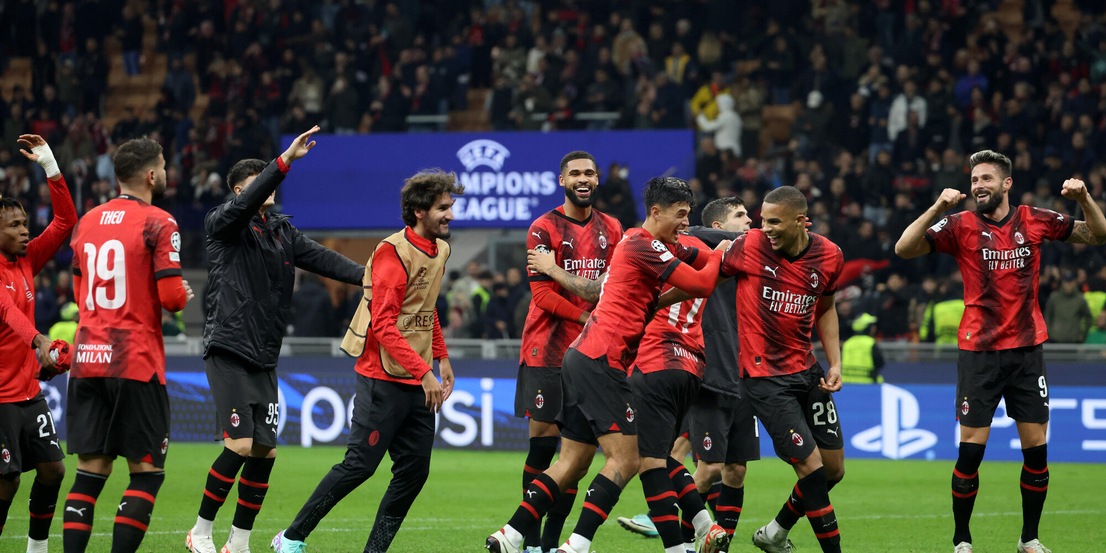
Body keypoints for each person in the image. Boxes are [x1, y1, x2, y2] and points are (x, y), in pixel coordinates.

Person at [487, 177, 729, 553]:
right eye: (679, 215)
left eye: (688, 215)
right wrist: (719, 255)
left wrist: (724, 251)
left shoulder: (648, 243)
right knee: (629, 458)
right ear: (656, 212)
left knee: (573, 461)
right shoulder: (643, 245)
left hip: (583, 357)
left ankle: (510, 535)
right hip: (602, 361)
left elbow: (692, 268)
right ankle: (576, 546)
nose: (685, 222)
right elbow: (700, 283)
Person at [894, 149, 1106, 553]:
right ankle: (962, 539)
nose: (978, 186)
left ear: (1006, 183)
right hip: (979, 353)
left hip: (1027, 352)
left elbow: (1098, 233)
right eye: (975, 180)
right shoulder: (959, 225)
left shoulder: (1035, 219)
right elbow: (904, 249)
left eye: (986, 179)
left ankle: (1029, 538)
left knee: (1037, 456)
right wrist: (938, 204)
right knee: (970, 455)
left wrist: (1084, 198)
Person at [186, 126, 365, 553]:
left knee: (265, 453)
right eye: (255, 182)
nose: (264, 188)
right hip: (228, 346)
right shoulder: (223, 224)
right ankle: (200, 532)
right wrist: (282, 162)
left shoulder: (282, 231)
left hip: (264, 355)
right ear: (237, 191)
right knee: (241, 444)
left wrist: (372, 276)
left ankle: (239, 542)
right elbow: (247, 202)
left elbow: (323, 259)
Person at [271, 169, 463, 553]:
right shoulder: (392, 254)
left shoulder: (441, 250)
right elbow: (385, 327)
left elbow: (427, 310)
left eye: (451, 206)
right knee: (360, 465)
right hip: (383, 378)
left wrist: (441, 358)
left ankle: (374, 551)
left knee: (413, 473)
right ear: (419, 211)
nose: (451, 215)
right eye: (443, 208)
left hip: (419, 379)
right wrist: (425, 370)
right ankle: (291, 537)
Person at [63, 137, 195, 553]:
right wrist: (182, 295)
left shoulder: (86, 222)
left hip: (87, 360)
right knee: (146, 473)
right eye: (164, 165)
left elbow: (77, 292)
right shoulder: (160, 221)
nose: (167, 173)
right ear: (152, 174)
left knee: (89, 472)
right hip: (135, 360)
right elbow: (172, 298)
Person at [617, 197, 761, 547]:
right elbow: (688, 232)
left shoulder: (748, 260)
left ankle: (705, 536)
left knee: (735, 470)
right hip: (707, 371)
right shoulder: (702, 251)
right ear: (717, 228)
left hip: (744, 372)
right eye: (740, 217)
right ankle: (666, 519)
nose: (750, 222)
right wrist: (729, 240)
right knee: (707, 466)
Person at [717, 186, 845, 553]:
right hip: (764, 378)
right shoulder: (750, 247)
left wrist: (835, 362)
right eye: (762, 221)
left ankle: (774, 532)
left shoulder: (830, 255)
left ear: (801, 221)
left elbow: (825, 308)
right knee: (812, 471)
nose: (765, 228)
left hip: (808, 372)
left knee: (833, 470)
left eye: (774, 222)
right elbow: (706, 276)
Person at [513, 150, 622, 553]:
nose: (583, 178)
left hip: (592, 355)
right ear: (562, 180)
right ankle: (526, 540)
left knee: (577, 455)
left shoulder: (612, 228)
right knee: (543, 445)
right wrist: (586, 319)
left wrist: (593, 322)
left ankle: (551, 542)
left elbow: (612, 289)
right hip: (546, 351)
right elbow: (542, 295)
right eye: (575, 173)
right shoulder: (543, 228)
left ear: (597, 180)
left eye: (590, 173)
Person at [0, 134, 77, 553]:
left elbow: (65, 222)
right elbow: (8, 314)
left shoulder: (27, 258)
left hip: (28, 393)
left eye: (25, 223)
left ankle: (37, 547)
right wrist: (39, 340)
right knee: (6, 483)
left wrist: (51, 166)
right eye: (14, 226)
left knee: (53, 470)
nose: (25, 231)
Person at [840, 313, 885, 384]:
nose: (874, 328)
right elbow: (880, 363)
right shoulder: (870, 343)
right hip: (868, 383)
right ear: (868, 328)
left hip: (846, 383)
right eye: (872, 326)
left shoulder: (847, 343)